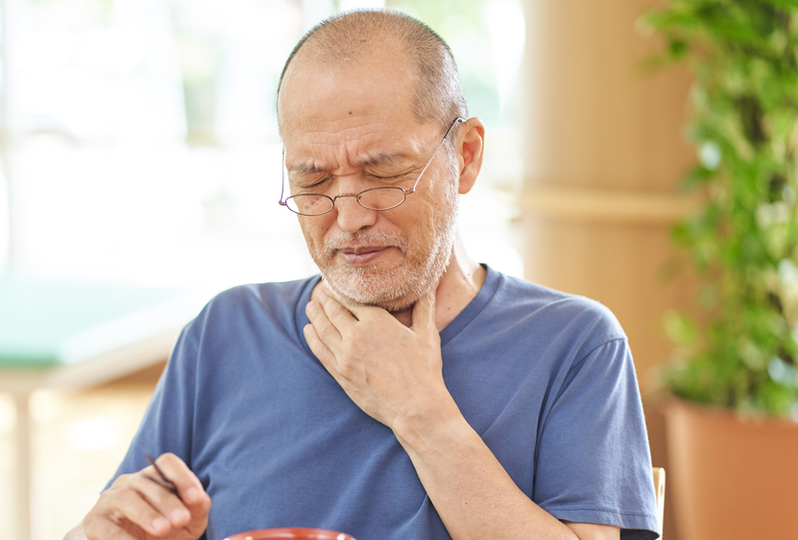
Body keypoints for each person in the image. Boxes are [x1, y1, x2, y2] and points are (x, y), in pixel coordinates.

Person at [66, 8, 659, 540]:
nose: (348, 217)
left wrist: (420, 410)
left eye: (383, 172)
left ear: (467, 157)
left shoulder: (572, 344)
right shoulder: (227, 331)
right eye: (313, 181)